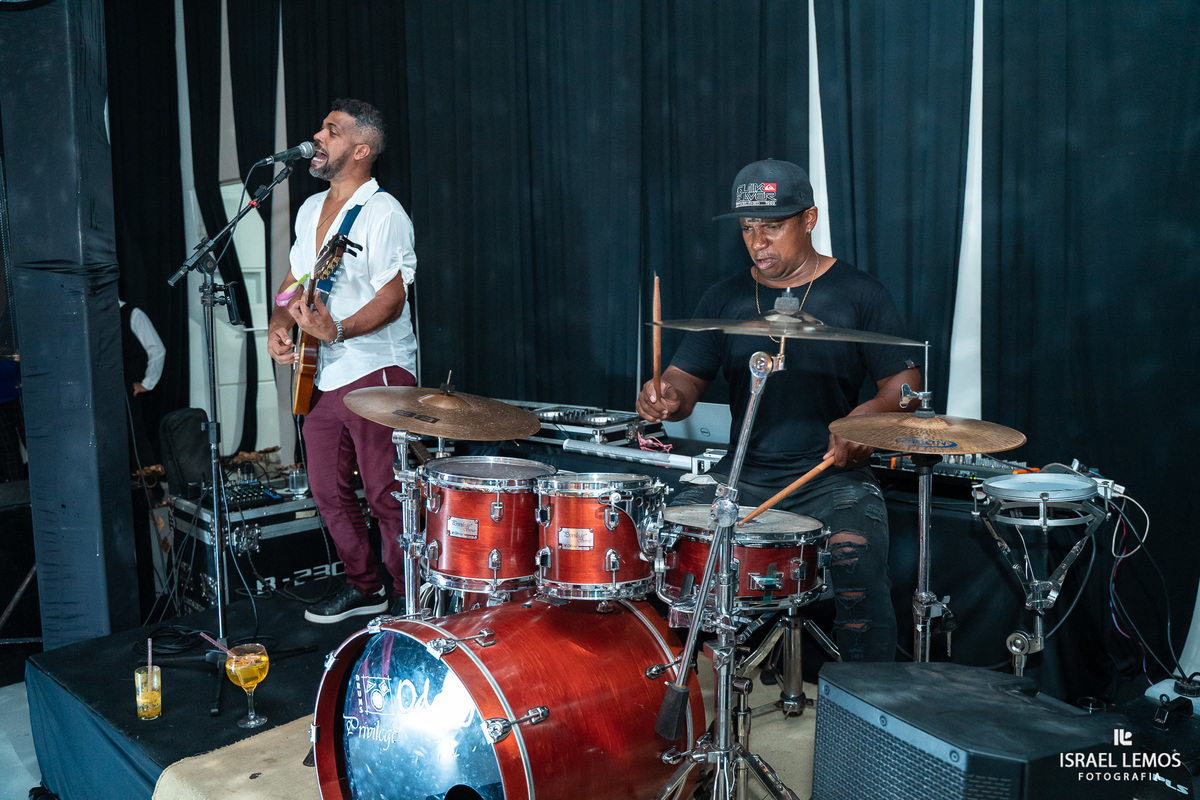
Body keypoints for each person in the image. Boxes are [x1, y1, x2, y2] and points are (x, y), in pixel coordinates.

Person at [637, 159, 921, 662]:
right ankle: (687, 685)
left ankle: (865, 705)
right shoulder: (724, 297)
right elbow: (684, 380)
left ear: (808, 219)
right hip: (741, 475)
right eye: (748, 229)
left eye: (772, 226)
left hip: (830, 477)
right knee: (666, 538)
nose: (757, 241)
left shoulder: (859, 293)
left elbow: (904, 385)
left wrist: (868, 419)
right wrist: (665, 394)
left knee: (857, 554)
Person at [267, 99, 418, 623]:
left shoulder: (383, 212)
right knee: (327, 488)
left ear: (359, 149)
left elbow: (392, 296)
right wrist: (279, 323)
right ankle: (365, 585)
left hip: (379, 369)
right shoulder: (310, 211)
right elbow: (295, 281)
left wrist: (341, 329)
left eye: (330, 130)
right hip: (324, 374)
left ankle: (405, 597)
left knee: (384, 492)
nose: (317, 135)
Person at [120, 298, 166, 471]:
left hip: (129, 390)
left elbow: (157, 349)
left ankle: (150, 490)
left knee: (136, 438)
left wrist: (147, 383)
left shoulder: (132, 314)